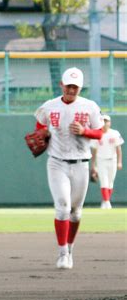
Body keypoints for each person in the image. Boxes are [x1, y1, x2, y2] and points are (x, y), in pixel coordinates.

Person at [33, 67, 103, 270]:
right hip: (56, 162)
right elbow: (39, 127)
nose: (72, 90)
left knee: (76, 212)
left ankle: (70, 248)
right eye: (69, 86)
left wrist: (85, 131)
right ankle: (62, 252)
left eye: (76, 87)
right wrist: (42, 134)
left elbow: (99, 133)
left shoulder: (89, 106)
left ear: (80, 87)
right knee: (62, 208)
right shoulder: (49, 106)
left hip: (81, 162)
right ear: (61, 84)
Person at [90, 114, 124, 209]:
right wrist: (93, 165)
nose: (105, 123)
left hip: (112, 160)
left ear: (110, 123)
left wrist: (119, 162)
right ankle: (106, 201)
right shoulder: (97, 134)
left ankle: (106, 201)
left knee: (110, 182)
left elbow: (118, 149)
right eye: (103, 121)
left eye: (106, 121)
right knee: (104, 182)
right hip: (101, 160)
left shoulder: (114, 133)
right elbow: (94, 151)